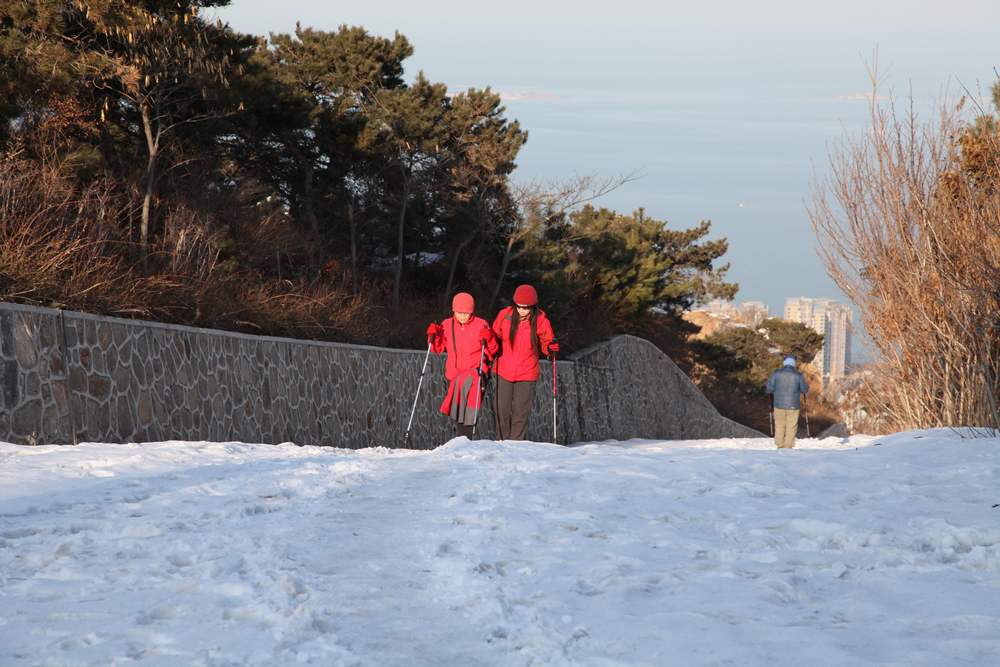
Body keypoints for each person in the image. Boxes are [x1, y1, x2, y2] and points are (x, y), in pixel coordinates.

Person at [490, 284, 558, 441]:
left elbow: (547, 342)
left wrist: (551, 348)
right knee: (501, 409)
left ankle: (516, 444)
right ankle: (501, 441)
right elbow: (494, 336)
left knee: (521, 411)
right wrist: (488, 338)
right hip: (503, 369)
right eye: (519, 307)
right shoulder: (505, 316)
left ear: (533, 307)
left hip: (527, 372)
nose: (521, 311)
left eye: (526, 308)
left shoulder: (540, 320)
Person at [426, 292, 498, 439]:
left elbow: (493, 350)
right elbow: (437, 349)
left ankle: (463, 441)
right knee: (458, 412)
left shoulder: (481, 324)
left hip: (475, 375)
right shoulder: (447, 324)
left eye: (466, 313)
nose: (463, 316)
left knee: (468, 412)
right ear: (453, 310)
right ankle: (463, 440)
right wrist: (433, 336)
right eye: (459, 313)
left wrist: (489, 338)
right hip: (454, 375)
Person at [765, 355, 809, 449]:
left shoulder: (776, 373)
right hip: (793, 405)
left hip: (778, 405)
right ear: (793, 364)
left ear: (784, 363)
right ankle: (788, 446)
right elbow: (804, 390)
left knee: (779, 425)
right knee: (791, 426)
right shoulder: (798, 375)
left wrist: (772, 391)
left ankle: (779, 445)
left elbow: (769, 388)